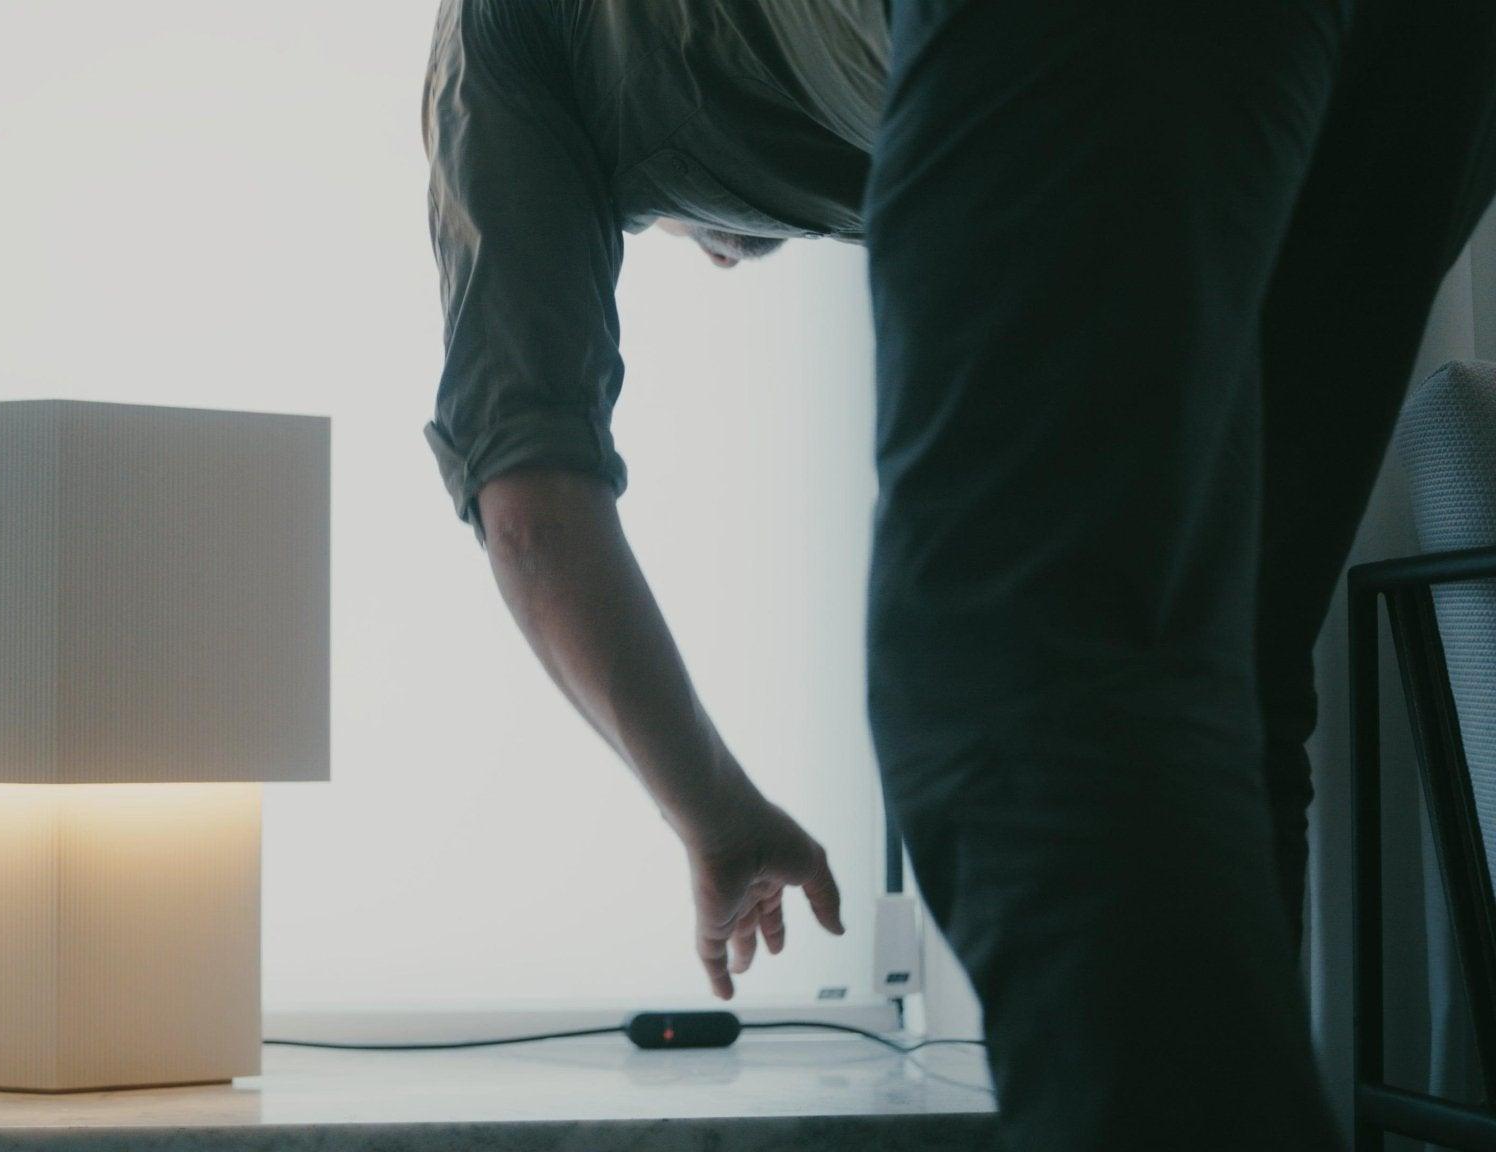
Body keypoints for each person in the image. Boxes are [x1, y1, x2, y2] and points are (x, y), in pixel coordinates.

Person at [422, 0, 1496, 1148]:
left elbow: (530, 510)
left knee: (1013, 679)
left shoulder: (487, 47)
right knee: (1220, 687)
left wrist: (712, 809)